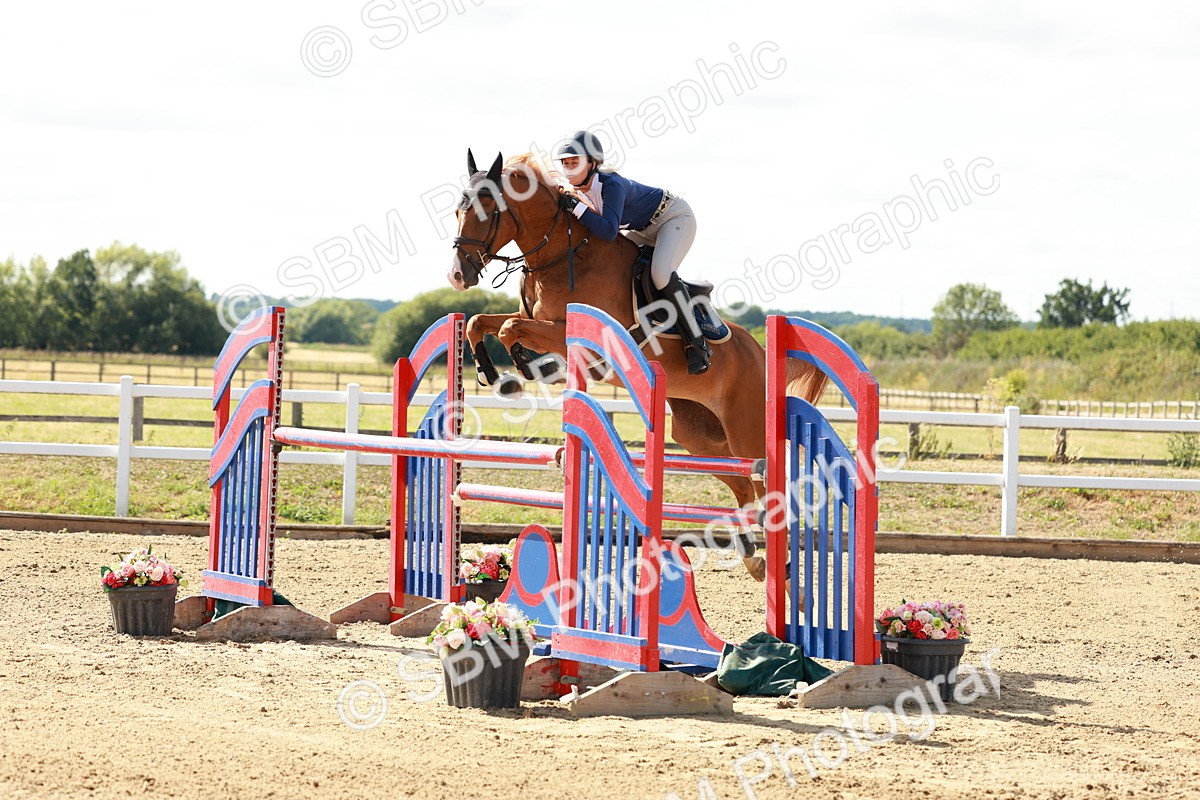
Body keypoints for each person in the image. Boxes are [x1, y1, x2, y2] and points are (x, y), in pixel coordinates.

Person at [554, 130, 711, 374]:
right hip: (641, 228)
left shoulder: (611, 184)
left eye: (575, 162)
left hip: (673, 218)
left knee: (659, 273)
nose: (569, 169)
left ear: (592, 163)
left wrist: (576, 207)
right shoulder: (578, 190)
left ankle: (696, 342)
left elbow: (607, 232)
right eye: (565, 164)